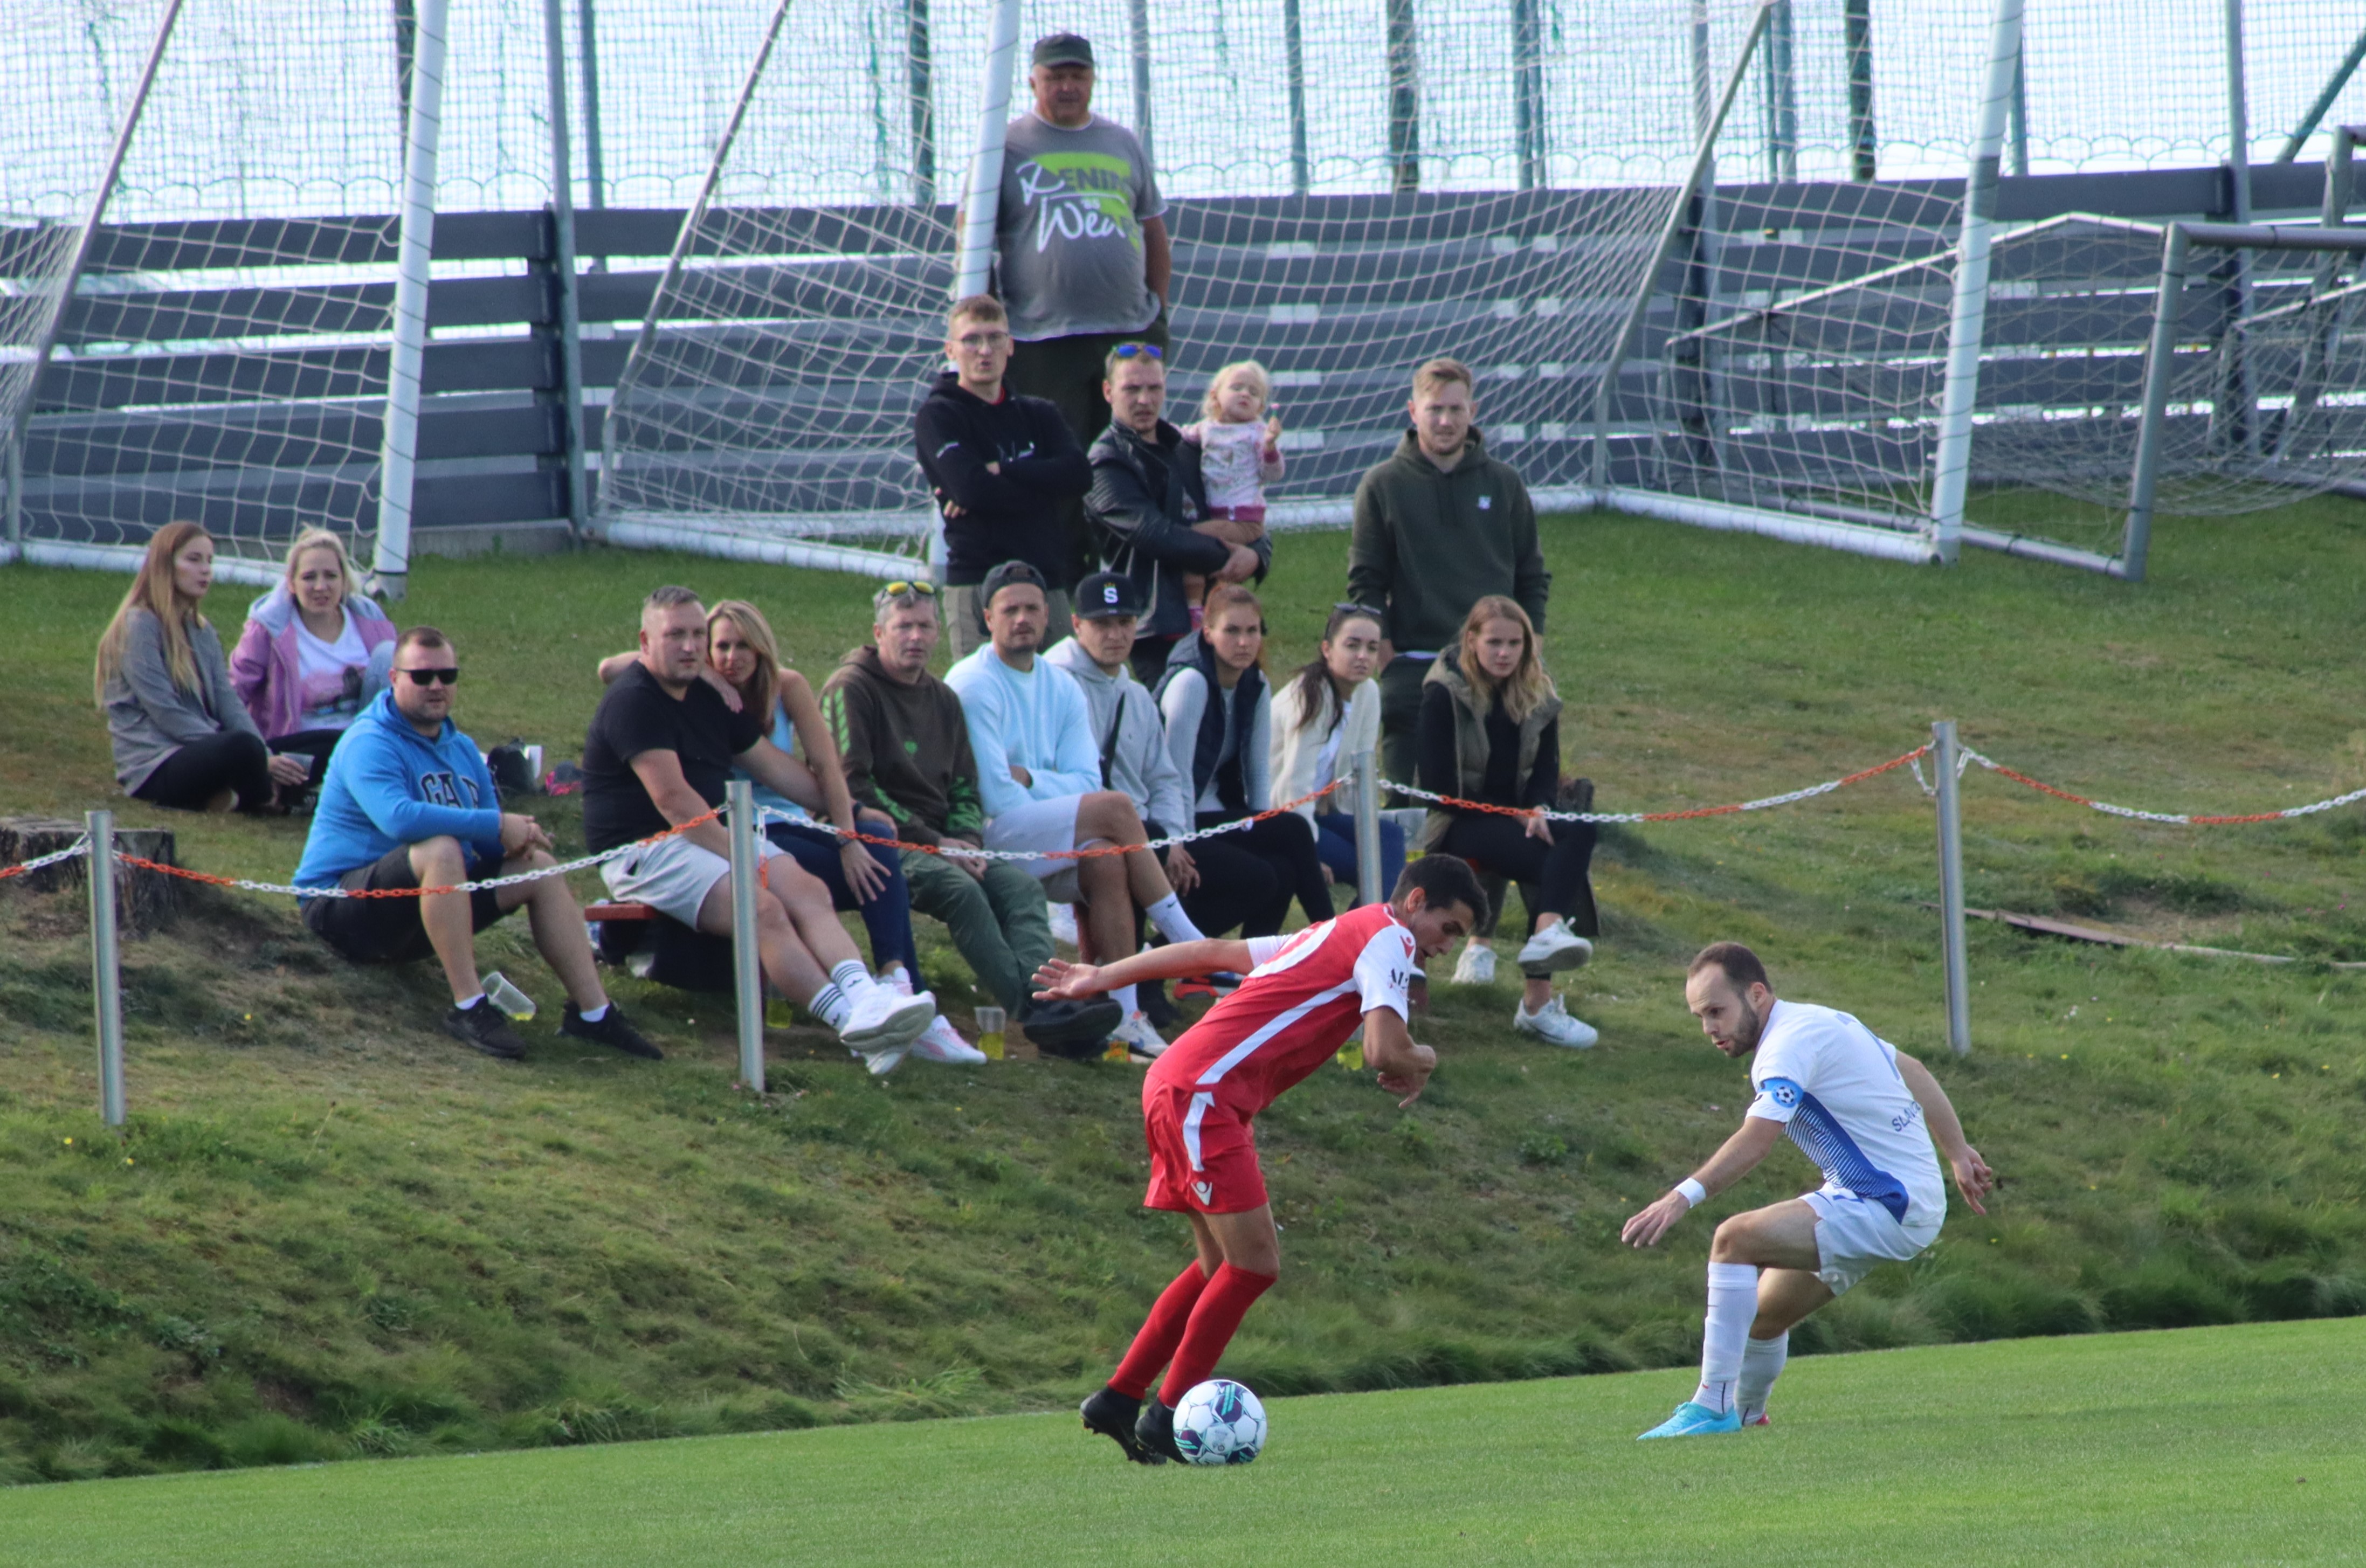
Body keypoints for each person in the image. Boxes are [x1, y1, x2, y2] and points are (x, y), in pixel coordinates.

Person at [1040, 853, 1488, 1465]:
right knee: (1254, 1266)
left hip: (1187, 1085)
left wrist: (1102, 975)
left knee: (1217, 1267)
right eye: (1449, 928)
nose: (1445, 945)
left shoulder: (1337, 931)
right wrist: (1422, 1058)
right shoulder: (1390, 939)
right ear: (1415, 902)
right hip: (1204, 1093)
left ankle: (1119, 1397)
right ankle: (1169, 1416)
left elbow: (1211, 953)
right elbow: (1383, 1049)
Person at [1623, 943, 1997, 1439]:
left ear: (1756, 994)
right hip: (1900, 1199)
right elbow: (1914, 1070)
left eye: (1717, 1011)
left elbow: (1757, 1140)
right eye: (1700, 1016)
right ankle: (1748, 1415)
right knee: (1762, 1316)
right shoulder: (1822, 1020)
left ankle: (1711, 1406)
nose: (1709, 1027)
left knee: (1732, 1240)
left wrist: (1679, 1197)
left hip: (1882, 1201)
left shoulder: (1786, 1045)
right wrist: (1956, 1152)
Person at [594, 600, 978, 1067]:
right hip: (648, 848)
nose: (692, 647)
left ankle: (870, 999)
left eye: (697, 635)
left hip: (711, 832)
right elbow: (674, 801)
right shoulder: (636, 699)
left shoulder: (710, 698)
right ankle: (855, 1028)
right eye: (677, 635)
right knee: (763, 908)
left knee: (807, 888)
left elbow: (783, 772)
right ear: (645, 642)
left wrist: (853, 817)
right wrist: (745, 857)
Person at [292, 626, 661, 1062]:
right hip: (340, 908)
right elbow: (398, 818)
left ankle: (593, 1013)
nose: (436, 685)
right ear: (393, 678)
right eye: (422, 676)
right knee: (441, 847)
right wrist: (496, 824)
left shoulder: (462, 748)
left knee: (537, 865)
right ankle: (469, 1006)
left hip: (420, 908)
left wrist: (519, 840)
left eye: (447, 675)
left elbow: (489, 842)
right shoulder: (368, 740)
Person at [820, 578, 1121, 1054]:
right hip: (879, 840)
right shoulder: (851, 688)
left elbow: (965, 786)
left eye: (924, 627)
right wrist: (937, 843)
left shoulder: (943, 698)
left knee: (1021, 890)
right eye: (903, 627)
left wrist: (965, 840)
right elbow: (851, 784)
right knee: (962, 892)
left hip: (947, 843)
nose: (915, 637)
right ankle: (1040, 1013)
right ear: (879, 633)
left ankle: (1053, 1005)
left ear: (938, 633)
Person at [947, 560, 1206, 1059]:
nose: (1022, 619)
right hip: (985, 839)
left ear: (1048, 616)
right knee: (1116, 808)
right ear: (988, 618)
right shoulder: (973, 682)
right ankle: (1189, 942)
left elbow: (1085, 779)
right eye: (1009, 610)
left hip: (1039, 833)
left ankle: (1125, 1013)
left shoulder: (1061, 685)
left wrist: (1032, 777)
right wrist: (1056, 793)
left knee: (1107, 858)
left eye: (1031, 609)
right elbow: (996, 797)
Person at [995, 29, 1171, 577]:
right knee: (1064, 464)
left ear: (1093, 80)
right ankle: (1067, 580)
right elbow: (972, 236)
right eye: (1056, 77)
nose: (1067, 86)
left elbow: (1152, 230)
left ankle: (1133, 575)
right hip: (1043, 338)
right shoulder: (1006, 147)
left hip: (1126, 331)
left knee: (1131, 455)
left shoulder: (1121, 142)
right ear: (1033, 82)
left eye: (1078, 75)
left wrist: (1157, 314)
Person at [1346, 357, 1551, 793]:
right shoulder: (1381, 485)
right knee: (1411, 806)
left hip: (1497, 664)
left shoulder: (1504, 483)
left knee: (1505, 799)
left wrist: (1529, 645)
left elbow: (1531, 575)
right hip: (1416, 666)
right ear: (1412, 411)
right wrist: (1388, 657)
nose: (1445, 420)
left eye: (1455, 409)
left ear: (1472, 411)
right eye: (1434, 409)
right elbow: (1366, 582)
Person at [1417, 596, 1599, 1047]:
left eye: (1514, 643)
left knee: (1579, 829)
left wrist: (1538, 808)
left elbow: (1546, 771)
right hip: (1456, 819)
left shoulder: (1539, 692)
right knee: (1554, 862)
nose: (1504, 652)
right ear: (1471, 641)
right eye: (1494, 642)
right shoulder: (1443, 693)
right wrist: (1514, 814)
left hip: (1514, 819)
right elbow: (1440, 787)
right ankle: (1537, 1003)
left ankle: (1545, 937)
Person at [1043, 570, 1197, 1032]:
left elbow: (1165, 778)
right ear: (1076, 625)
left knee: (1238, 865)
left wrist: (1174, 839)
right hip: (1073, 826)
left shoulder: (1137, 694)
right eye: (1102, 623)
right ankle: (1179, 949)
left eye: (1125, 622)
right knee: (1129, 842)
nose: (1115, 634)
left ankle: (1150, 982)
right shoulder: (1054, 681)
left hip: (1141, 832)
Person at [916, 294, 1092, 658]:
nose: (985, 350)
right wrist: (1045, 487)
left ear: (1010, 346)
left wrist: (1006, 471)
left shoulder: (1039, 413)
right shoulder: (939, 416)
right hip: (978, 579)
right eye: (971, 340)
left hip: (1045, 579)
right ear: (951, 349)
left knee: (1057, 684)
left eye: (995, 338)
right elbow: (971, 490)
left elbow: (1079, 475)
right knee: (982, 689)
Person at [1155, 585, 1333, 941]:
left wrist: (1265, 834)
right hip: (1174, 826)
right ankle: (1338, 942)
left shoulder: (1256, 683)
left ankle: (1256, 970)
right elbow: (1174, 777)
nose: (1244, 642)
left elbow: (1257, 771)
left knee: (1283, 866)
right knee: (1291, 836)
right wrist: (1180, 842)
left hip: (1216, 816)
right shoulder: (1190, 683)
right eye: (1232, 631)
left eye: (1252, 631)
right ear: (1208, 633)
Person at [1087, 342, 1269, 683]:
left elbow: (1235, 515)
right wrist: (1231, 555)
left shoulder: (1186, 447)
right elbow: (1156, 535)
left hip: (1220, 620)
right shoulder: (1105, 462)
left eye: (1154, 388)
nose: (1145, 400)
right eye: (1132, 389)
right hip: (1156, 624)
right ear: (1109, 392)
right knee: (1176, 714)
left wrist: (1257, 555)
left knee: (1234, 711)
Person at [95, 521, 306, 813]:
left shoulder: (202, 630)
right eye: (194, 560)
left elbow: (228, 701)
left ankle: (249, 794)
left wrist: (265, 754)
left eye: (209, 561)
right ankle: (274, 796)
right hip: (157, 764)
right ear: (164, 566)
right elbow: (165, 711)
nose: (206, 570)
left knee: (324, 742)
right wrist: (257, 757)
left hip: (207, 747)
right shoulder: (139, 625)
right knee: (242, 748)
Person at [229, 527, 398, 795]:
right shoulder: (268, 630)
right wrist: (254, 753)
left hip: (363, 739)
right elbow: (233, 694)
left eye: (331, 576)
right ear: (291, 583)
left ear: (345, 580)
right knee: (349, 750)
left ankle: (324, 792)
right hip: (299, 748)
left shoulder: (370, 622)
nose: (321, 587)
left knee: (389, 656)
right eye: (309, 577)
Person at [1270, 602, 1404, 905]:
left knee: (1390, 838)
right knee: (1370, 865)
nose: (1363, 656)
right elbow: (1293, 785)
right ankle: (1369, 929)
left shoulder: (1368, 693)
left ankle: (1367, 927)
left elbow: (1360, 775)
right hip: (1282, 817)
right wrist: (1308, 852)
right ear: (1327, 650)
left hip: (1322, 814)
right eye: (1352, 646)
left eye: (1372, 648)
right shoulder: (1311, 693)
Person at [1177, 360, 1284, 630]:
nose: (1245, 394)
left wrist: (1270, 448)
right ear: (1215, 396)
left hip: (1244, 521)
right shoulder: (1206, 428)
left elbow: (1273, 474)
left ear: (1261, 407)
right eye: (1237, 388)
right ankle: (1217, 613)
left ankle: (1194, 609)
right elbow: (1180, 437)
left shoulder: (1256, 433)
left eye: (1253, 392)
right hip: (1219, 517)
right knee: (1215, 567)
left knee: (1191, 539)